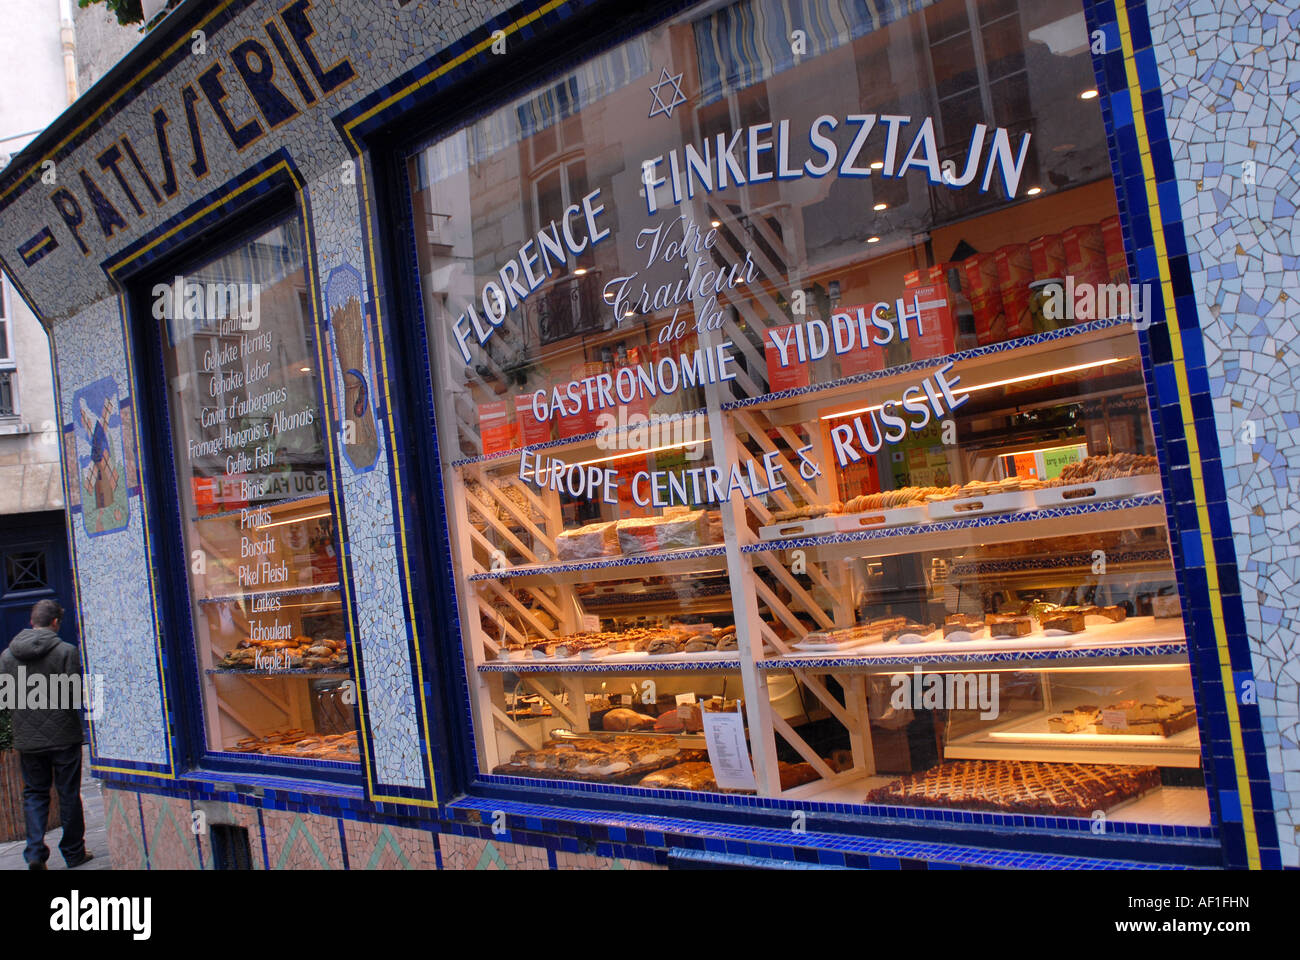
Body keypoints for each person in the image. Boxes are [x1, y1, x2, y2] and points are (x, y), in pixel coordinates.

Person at [0, 599, 92, 870]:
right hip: (64, 736)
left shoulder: (7, 656)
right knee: (68, 793)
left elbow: (6, 699)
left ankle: (35, 854)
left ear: (32, 622)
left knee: (35, 793)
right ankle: (74, 853)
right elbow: (74, 696)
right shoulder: (66, 651)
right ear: (55, 622)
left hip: (28, 739)